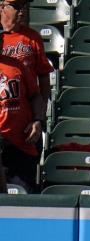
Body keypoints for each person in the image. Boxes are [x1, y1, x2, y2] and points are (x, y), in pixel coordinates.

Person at [0, 51, 45, 193]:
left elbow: (35, 95)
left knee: (23, 198)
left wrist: (38, 120)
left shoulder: (17, 66)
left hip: (20, 145)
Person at [0, 0, 53, 106]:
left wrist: (41, 109)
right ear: (2, 7)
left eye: (23, 5)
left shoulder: (33, 37)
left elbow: (43, 74)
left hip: (27, 108)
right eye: (16, 6)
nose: (22, 11)